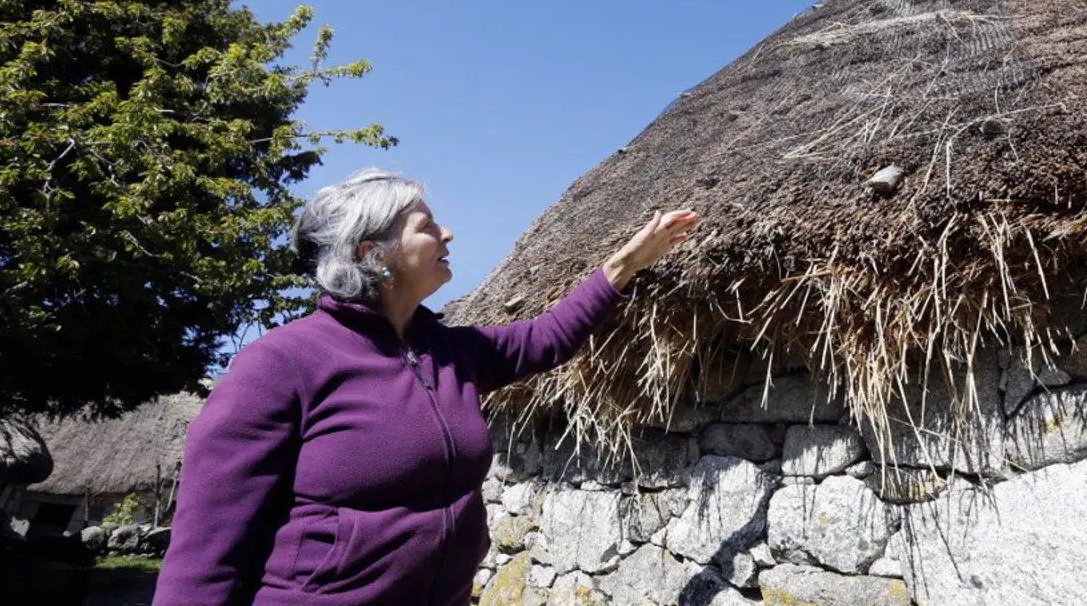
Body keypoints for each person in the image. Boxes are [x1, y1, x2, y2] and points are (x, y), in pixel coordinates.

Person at [152, 168, 698, 605]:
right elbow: (208, 543)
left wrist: (624, 265)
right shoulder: (282, 363)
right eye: (426, 225)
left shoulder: (449, 351)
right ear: (373, 253)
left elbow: (546, 338)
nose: (447, 234)